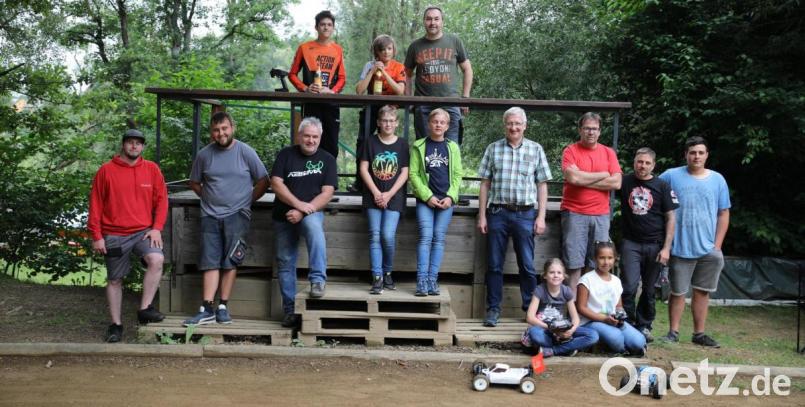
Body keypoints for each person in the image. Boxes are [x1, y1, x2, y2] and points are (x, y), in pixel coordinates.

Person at [184, 112, 269, 326]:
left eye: (224, 128)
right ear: (211, 133)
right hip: (209, 215)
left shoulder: (246, 152)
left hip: (237, 215)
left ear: (232, 127)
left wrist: (247, 201)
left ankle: (223, 306)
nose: (221, 133)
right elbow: (194, 182)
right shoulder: (205, 155)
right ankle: (206, 307)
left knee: (231, 260)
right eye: (216, 130)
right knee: (209, 260)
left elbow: (263, 180)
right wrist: (208, 198)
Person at [89, 129, 168, 343]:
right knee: (115, 280)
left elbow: (162, 200)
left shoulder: (151, 169)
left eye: (138, 143)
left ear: (143, 147)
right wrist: (97, 236)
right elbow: (95, 205)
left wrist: (156, 227)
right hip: (114, 233)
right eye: (130, 142)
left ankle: (144, 309)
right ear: (123, 145)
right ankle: (116, 325)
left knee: (157, 259)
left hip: (143, 232)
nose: (134, 146)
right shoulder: (106, 171)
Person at [477, 107, 552, 327]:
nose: (514, 127)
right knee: (494, 265)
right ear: (505, 125)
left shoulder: (535, 149)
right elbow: (484, 184)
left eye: (518, 123)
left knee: (527, 266)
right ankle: (493, 309)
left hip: (525, 214)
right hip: (497, 213)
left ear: (525, 126)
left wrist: (541, 217)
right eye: (510, 123)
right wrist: (482, 216)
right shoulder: (493, 149)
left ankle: (531, 309)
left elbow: (542, 185)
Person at [659, 136, 730, 348]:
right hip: (680, 246)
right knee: (678, 292)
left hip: (708, 248)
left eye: (700, 152)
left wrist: (717, 245)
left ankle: (699, 334)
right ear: (686, 155)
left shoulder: (718, 180)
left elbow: (723, 212)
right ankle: (673, 332)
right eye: (692, 152)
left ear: (707, 155)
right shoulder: (671, 175)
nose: (696, 156)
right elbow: (652, 187)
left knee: (702, 291)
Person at [271, 117, 337, 327]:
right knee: (284, 261)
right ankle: (290, 310)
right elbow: (276, 183)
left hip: (311, 213)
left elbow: (327, 192)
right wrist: (299, 205)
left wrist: (304, 211)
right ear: (299, 136)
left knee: (314, 227)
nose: (310, 140)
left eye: (315, 137)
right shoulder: (285, 154)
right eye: (307, 136)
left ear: (320, 138)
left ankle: (318, 280)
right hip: (284, 214)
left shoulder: (327, 159)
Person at [618, 147, 678, 343]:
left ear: (653, 165)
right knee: (628, 286)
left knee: (650, 289)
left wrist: (667, 248)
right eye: (639, 161)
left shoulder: (662, 186)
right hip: (631, 243)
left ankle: (644, 326)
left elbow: (671, 218)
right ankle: (626, 323)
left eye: (646, 163)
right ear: (634, 162)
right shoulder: (624, 181)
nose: (642, 166)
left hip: (655, 244)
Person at [561, 112, 622, 296]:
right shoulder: (570, 151)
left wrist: (583, 179)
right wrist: (603, 174)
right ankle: (573, 312)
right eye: (587, 128)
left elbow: (617, 183)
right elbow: (573, 177)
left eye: (594, 129)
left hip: (601, 215)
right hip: (574, 213)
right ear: (580, 130)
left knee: (598, 263)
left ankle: (590, 308)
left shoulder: (608, 153)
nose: (591, 132)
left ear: (600, 131)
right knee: (574, 264)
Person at [409, 108, 462, 296]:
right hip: (426, 201)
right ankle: (421, 280)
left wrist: (450, 196)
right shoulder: (419, 145)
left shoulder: (452, 147)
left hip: (446, 201)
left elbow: (457, 174)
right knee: (426, 236)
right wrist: (427, 196)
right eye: (435, 121)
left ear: (447, 126)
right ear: (429, 124)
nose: (438, 125)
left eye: (442, 122)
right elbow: (413, 174)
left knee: (438, 238)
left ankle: (433, 280)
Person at [359, 106, 410, 294]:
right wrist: (375, 192)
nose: (388, 124)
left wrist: (388, 194)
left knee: (387, 236)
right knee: (374, 235)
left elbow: (405, 171)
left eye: (391, 120)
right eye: (384, 120)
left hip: (394, 197)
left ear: (396, 123)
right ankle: (377, 277)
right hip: (372, 196)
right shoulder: (370, 142)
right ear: (379, 123)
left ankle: (388, 271)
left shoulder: (403, 144)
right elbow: (364, 168)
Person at [404, 5, 473, 142]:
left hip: (451, 103)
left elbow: (467, 69)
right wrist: (409, 100)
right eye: (429, 19)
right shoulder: (415, 46)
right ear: (424, 21)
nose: (432, 23)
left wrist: (465, 98)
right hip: (423, 104)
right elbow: (406, 74)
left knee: (452, 147)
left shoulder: (454, 41)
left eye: (436, 19)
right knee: (424, 147)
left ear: (442, 21)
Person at [351, 34, 406, 192]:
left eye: (389, 49)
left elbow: (400, 92)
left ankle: (389, 183)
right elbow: (360, 91)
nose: (386, 52)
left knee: (388, 147)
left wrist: (385, 73)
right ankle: (360, 183)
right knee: (363, 143)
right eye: (382, 49)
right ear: (377, 52)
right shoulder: (369, 65)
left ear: (393, 50)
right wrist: (373, 70)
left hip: (389, 111)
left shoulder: (398, 67)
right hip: (371, 109)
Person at [289, 10, 346, 158]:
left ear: (333, 28)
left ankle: (330, 178)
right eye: (322, 24)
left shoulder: (338, 50)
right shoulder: (304, 47)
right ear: (316, 27)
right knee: (309, 141)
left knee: (332, 144)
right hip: (311, 102)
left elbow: (342, 78)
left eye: (329, 25)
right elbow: (292, 74)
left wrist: (333, 91)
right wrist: (305, 88)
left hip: (331, 103)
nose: (326, 28)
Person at [577, 241, 647, 356]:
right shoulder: (586, 280)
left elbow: (618, 306)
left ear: (615, 259)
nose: (606, 262)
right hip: (591, 321)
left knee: (639, 341)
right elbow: (581, 307)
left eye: (610, 258)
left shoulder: (616, 281)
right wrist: (604, 319)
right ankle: (621, 350)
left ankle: (630, 347)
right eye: (602, 258)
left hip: (612, 321)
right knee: (617, 338)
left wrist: (619, 316)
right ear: (595, 259)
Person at [522, 259, 599, 357]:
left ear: (563, 276)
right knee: (535, 334)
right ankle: (566, 349)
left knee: (593, 336)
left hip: (562, 329)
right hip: (544, 328)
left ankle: (553, 350)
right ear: (545, 275)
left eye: (559, 273)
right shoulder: (540, 290)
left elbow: (575, 318)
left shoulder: (566, 291)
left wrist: (571, 330)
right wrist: (551, 329)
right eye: (551, 272)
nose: (555, 275)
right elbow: (530, 317)